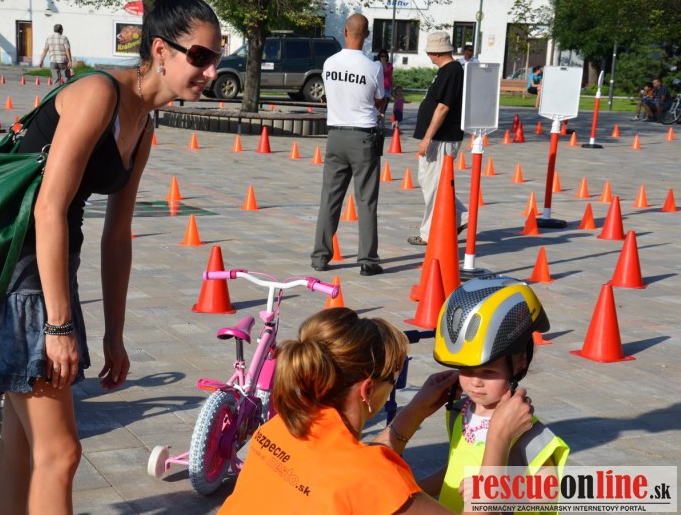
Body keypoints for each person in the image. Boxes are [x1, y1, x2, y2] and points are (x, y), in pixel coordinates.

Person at [0, 0, 221, 514]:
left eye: (215, 58)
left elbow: (117, 235)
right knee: (61, 453)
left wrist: (113, 334)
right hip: (16, 271)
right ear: (161, 50)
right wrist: (58, 326)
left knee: (24, 439)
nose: (210, 71)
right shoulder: (98, 93)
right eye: (200, 56)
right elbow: (48, 209)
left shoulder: (143, 125)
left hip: (50, 271)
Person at [218, 307, 536, 515]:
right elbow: (369, 482)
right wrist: (498, 438)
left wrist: (415, 411)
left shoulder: (277, 429)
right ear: (367, 390)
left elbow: (358, 479)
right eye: (393, 380)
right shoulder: (369, 477)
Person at [420, 276, 570, 513]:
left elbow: (547, 491)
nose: (476, 382)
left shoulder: (522, 427)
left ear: (520, 363)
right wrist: (416, 489)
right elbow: (456, 468)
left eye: (489, 372)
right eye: (467, 370)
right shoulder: (460, 412)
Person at [311, 14, 385, 276]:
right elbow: (379, 100)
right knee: (366, 200)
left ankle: (320, 257)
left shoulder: (329, 63)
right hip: (363, 136)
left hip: (335, 135)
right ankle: (367, 260)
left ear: (345, 31)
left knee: (330, 198)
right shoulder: (373, 67)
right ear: (367, 35)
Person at [408, 31, 468, 246]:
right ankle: (461, 216)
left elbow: (443, 107)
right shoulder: (447, 71)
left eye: (429, 53)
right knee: (431, 182)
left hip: (442, 138)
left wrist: (427, 138)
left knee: (432, 185)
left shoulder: (452, 71)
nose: (428, 56)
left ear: (437, 52)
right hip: (439, 137)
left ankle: (429, 233)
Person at [378, 49, 393, 115]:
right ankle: (378, 120)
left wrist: (392, 87)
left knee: (385, 107)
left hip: (387, 88)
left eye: (385, 56)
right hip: (380, 88)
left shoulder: (390, 65)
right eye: (382, 56)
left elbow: (391, 76)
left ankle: (382, 119)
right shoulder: (377, 65)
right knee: (379, 107)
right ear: (379, 57)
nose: (383, 57)